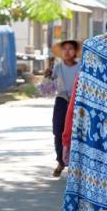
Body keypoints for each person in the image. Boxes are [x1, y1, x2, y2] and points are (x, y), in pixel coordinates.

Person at [44, 39, 81, 177]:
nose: (67, 51)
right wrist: (47, 76)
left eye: (70, 48)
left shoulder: (81, 67)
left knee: (76, 132)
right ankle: (61, 161)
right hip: (61, 101)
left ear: (75, 52)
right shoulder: (57, 67)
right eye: (64, 49)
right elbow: (48, 88)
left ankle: (75, 163)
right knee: (58, 130)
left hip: (77, 101)